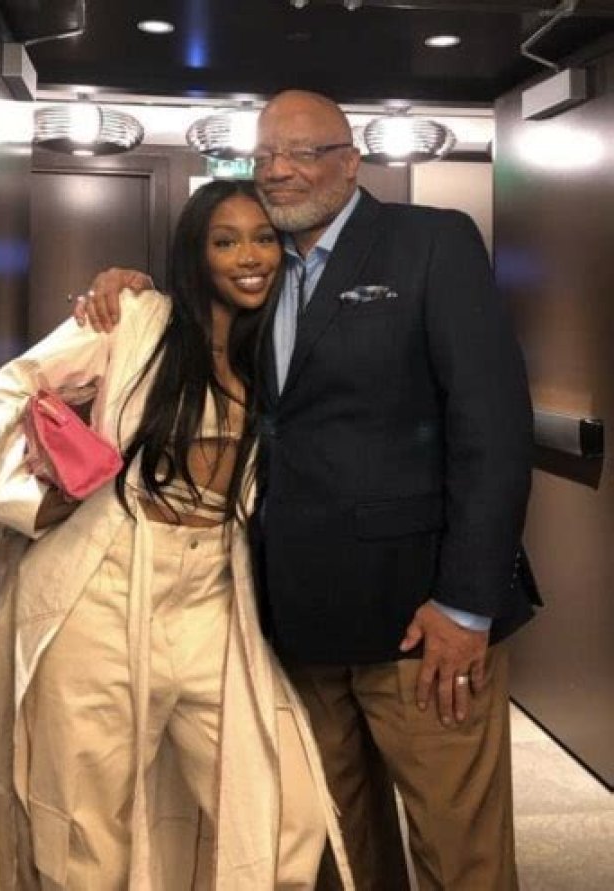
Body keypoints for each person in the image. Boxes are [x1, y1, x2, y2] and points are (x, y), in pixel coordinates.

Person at [77, 90, 541, 891]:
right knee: (336, 846)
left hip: (420, 620)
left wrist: (467, 606)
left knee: (458, 850)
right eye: (264, 155)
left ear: (351, 161)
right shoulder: (255, 275)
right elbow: (195, 327)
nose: (279, 171)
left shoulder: (431, 242)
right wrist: (128, 285)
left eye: (302, 152)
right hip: (295, 623)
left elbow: (493, 427)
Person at [0, 179, 354, 891]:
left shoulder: (281, 342)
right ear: (195, 251)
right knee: (83, 829)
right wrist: (34, 499)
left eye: (263, 239)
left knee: (284, 811)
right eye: (226, 241)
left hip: (214, 593)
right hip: (103, 583)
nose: (249, 257)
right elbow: (15, 385)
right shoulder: (135, 318)